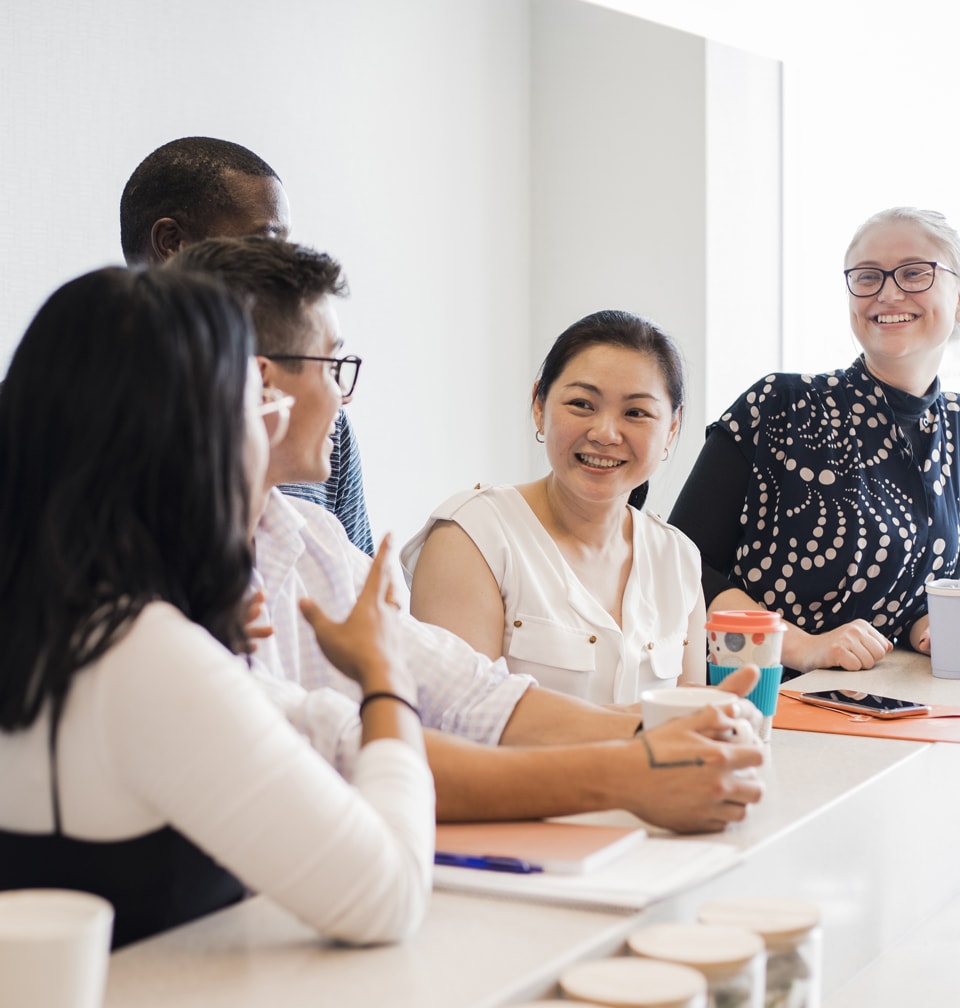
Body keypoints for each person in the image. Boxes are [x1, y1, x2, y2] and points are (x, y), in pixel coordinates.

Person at [168, 237, 765, 835]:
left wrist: (664, 732)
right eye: (334, 368)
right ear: (261, 387)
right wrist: (631, 772)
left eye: (637, 412)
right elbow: (347, 754)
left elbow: (469, 692)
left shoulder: (313, 539)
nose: (343, 402)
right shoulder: (160, 581)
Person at [0, 267, 433, 949]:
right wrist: (386, 679)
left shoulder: (8, 604)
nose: (269, 424)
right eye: (255, 404)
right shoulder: (140, 654)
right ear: (192, 444)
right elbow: (387, 896)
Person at [0, 136, 374, 555]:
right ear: (172, 244)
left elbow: (367, 596)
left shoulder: (322, 422)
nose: (284, 266)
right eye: (265, 241)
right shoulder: (51, 400)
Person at [668, 207, 960, 676]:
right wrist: (803, 646)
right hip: (752, 699)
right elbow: (679, 566)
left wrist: (942, 633)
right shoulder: (779, 404)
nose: (888, 292)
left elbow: (924, 599)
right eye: (868, 277)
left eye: (913, 273)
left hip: (881, 702)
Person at [401, 310, 705, 705]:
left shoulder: (678, 558)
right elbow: (455, 723)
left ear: (672, 428)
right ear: (539, 406)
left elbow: (694, 727)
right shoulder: (472, 536)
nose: (605, 434)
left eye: (636, 413)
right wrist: (637, 734)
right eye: (582, 404)